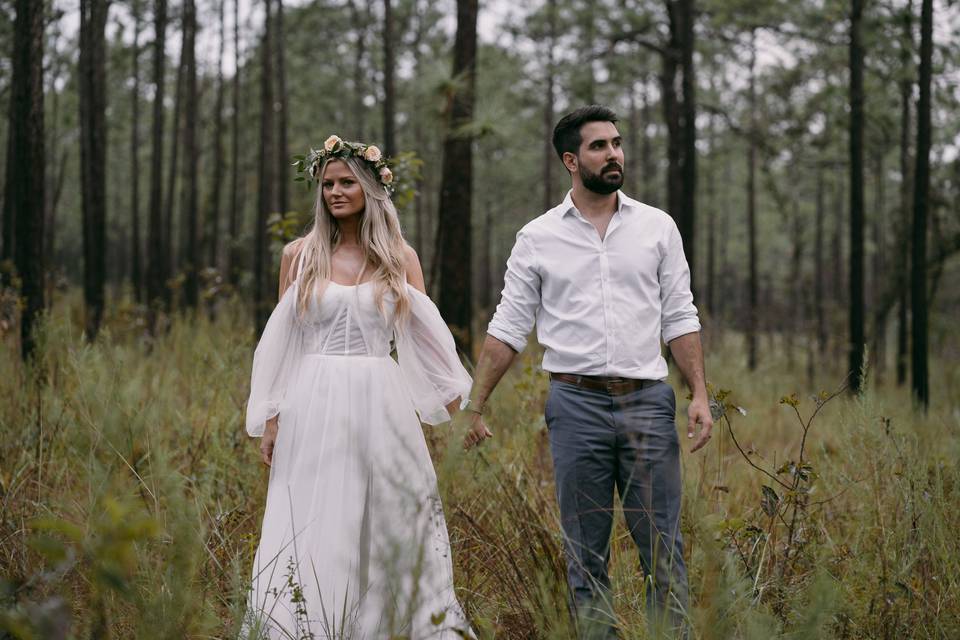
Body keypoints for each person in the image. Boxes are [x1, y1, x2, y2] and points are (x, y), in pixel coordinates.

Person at [461, 106, 713, 638]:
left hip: (647, 401)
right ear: (572, 160)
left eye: (617, 143)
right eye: (600, 146)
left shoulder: (657, 228)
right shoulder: (537, 237)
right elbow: (509, 325)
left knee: (663, 550)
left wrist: (699, 394)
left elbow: (680, 314)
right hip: (576, 408)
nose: (614, 153)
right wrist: (476, 404)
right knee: (585, 556)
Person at [243, 135, 474, 639]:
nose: (335, 192)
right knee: (313, 513)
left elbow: (427, 341)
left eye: (347, 182)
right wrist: (272, 419)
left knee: (390, 514)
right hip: (314, 399)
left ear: (371, 188)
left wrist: (461, 409)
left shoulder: (399, 257)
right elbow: (281, 342)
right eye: (327, 184)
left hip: (380, 398)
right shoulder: (298, 256)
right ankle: (310, 624)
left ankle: (388, 625)